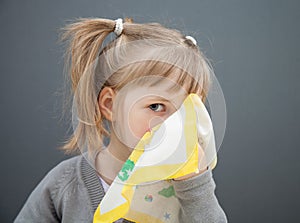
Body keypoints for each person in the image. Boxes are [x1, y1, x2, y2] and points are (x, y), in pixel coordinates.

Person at [14, 17, 228, 223]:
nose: (174, 125)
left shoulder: (189, 185)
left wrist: (194, 185)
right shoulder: (66, 182)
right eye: (156, 106)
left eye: (186, 111)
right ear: (110, 105)